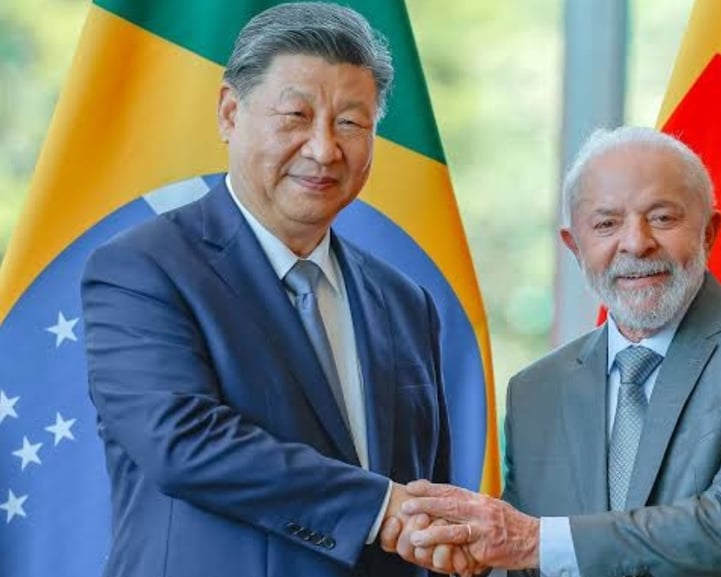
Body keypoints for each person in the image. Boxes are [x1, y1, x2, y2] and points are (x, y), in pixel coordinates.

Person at [81, 3, 467, 576]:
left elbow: (427, 494)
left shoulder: (406, 302)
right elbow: (183, 443)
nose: (323, 149)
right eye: (295, 116)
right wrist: (378, 507)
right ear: (231, 113)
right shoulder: (141, 270)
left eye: (351, 123)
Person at [382, 126, 721, 577]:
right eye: (606, 223)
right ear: (575, 247)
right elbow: (533, 556)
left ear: (708, 232)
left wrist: (527, 542)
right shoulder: (536, 391)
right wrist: (468, 553)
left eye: (662, 217)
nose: (636, 242)